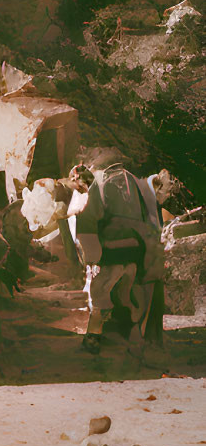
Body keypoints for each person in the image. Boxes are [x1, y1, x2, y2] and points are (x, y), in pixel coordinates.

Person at [68, 149, 163, 355]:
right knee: (126, 294)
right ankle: (133, 334)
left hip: (112, 253)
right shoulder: (136, 182)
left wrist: (91, 257)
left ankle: (93, 338)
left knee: (100, 295)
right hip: (136, 252)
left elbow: (90, 217)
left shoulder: (101, 183)